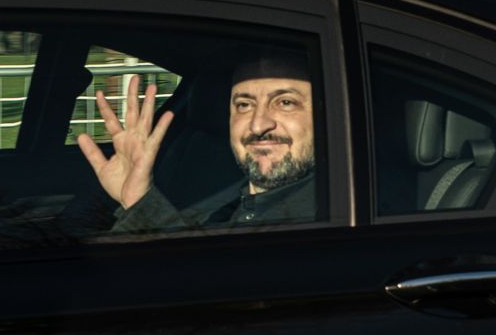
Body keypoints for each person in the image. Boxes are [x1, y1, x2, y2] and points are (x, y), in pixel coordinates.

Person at [77, 47, 319, 232]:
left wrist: (143, 206)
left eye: (285, 103)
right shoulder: (227, 202)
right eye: (244, 105)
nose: (258, 124)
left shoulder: (329, 212)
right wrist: (139, 199)